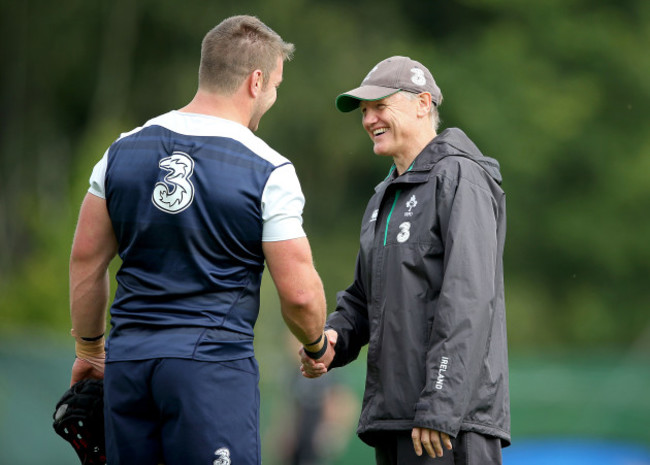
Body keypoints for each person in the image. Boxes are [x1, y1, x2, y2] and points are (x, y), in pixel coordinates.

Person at [68, 15, 333, 465]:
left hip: (128, 366)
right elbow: (301, 295)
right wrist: (315, 346)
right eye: (275, 86)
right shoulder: (269, 169)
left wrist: (91, 350)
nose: (272, 97)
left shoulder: (120, 151)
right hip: (210, 370)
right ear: (256, 81)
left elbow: (86, 261)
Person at [301, 56, 510, 464]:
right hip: (397, 422)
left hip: (449, 426)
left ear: (422, 103)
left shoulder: (460, 178)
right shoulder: (384, 196)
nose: (369, 119)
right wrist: (332, 341)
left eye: (380, 106)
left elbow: (468, 298)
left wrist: (440, 405)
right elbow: (364, 298)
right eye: (364, 111)